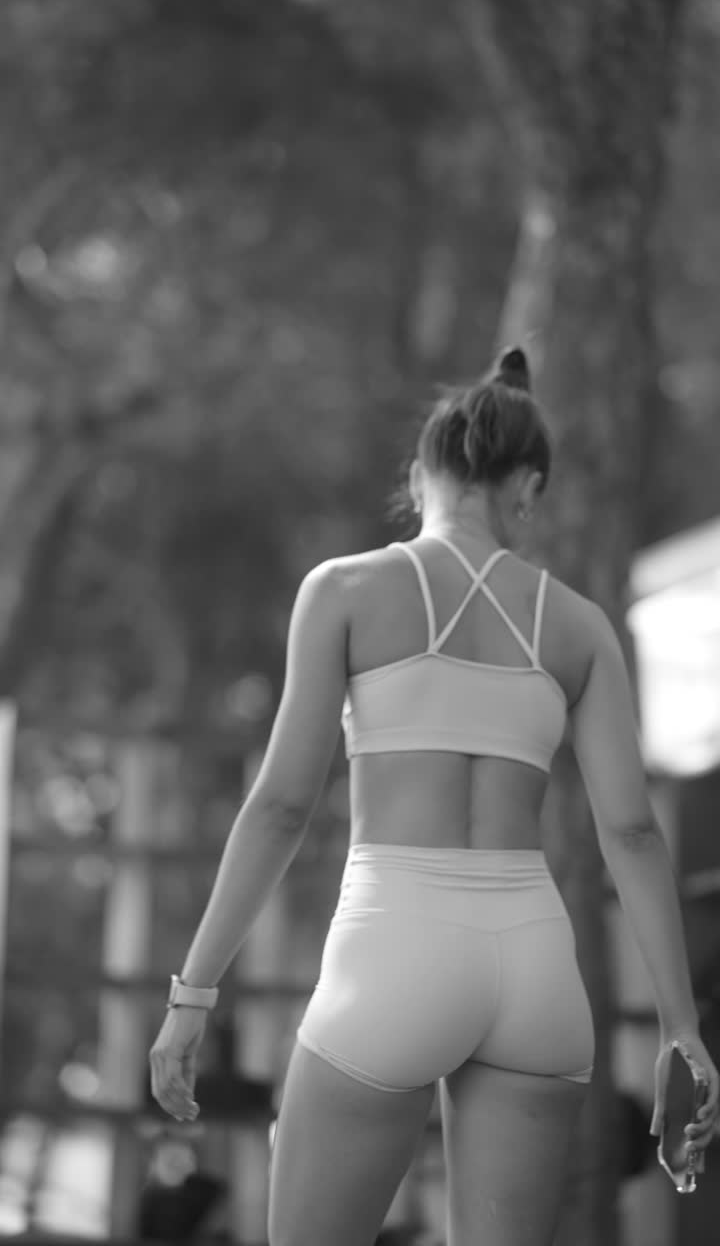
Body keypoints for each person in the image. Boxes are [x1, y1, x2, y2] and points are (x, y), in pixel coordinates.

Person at [150, 347, 719, 1246]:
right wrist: (682, 1030)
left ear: (421, 477)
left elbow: (281, 808)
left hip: (395, 948)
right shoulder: (579, 627)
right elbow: (634, 831)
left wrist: (194, 994)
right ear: (528, 488)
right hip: (535, 967)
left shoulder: (344, 590)